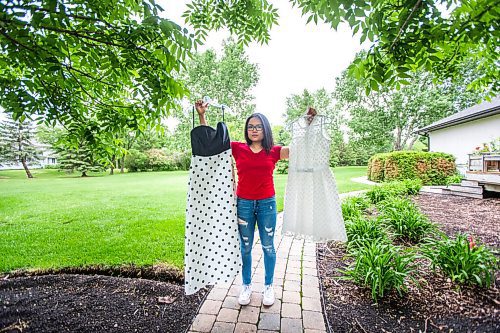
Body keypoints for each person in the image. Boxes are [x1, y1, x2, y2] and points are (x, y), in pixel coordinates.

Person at [195, 100, 316, 306]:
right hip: (243, 204)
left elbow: (300, 148)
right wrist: (202, 115)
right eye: (250, 126)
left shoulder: (274, 151)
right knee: (245, 248)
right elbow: (210, 142)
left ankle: (269, 287)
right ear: (246, 130)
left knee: (268, 247)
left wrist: (308, 123)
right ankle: (246, 285)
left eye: (258, 126)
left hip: (267, 204)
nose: (254, 130)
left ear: (265, 129)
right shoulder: (237, 148)